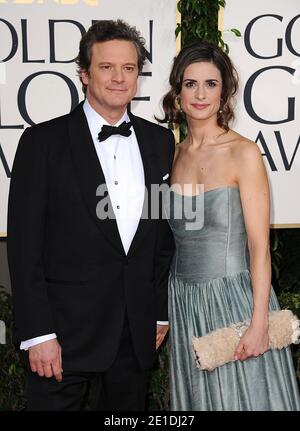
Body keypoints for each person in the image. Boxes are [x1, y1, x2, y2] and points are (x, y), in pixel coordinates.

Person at [7, 19, 175, 411]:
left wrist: (159, 313)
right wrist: (38, 333)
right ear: (84, 74)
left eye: (129, 68)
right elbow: (25, 247)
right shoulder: (42, 142)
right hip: (62, 339)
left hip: (134, 336)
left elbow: (162, 240)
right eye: (106, 67)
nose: (119, 78)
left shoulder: (160, 142)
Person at [160, 41, 300, 411]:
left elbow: (259, 246)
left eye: (211, 83)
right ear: (177, 92)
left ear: (225, 92)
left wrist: (259, 324)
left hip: (235, 301)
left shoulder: (243, 153)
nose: (200, 94)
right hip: (185, 303)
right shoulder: (171, 155)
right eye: (190, 84)